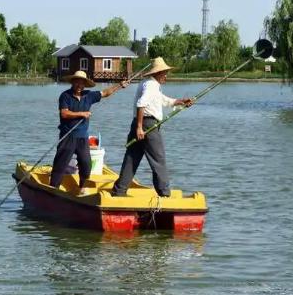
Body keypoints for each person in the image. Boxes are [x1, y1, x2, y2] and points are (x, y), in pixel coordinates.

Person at [112, 57, 192, 197]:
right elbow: (141, 104)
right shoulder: (151, 85)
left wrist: (181, 102)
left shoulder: (149, 84)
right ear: (157, 73)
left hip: (139, 123)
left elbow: (163, 100)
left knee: (132, 157)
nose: (166, 76)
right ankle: (165, 193)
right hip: (147, 125)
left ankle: (119, 191)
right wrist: (139, 128)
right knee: (158, 159)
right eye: (164, 73)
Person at [50, 70, 127, 194]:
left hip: (82, 137)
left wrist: (120, 86)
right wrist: (82, 114)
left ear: (84, 84)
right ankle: (53, 188)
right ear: (73, 82)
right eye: (77, 83)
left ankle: (82, 187)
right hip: (67, 136)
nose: (79, 86)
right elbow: (64, 113)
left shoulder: (89, 95)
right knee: (60, 164)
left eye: (82, 84)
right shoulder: (65, 96)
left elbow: (105, 93)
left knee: (86, 164)